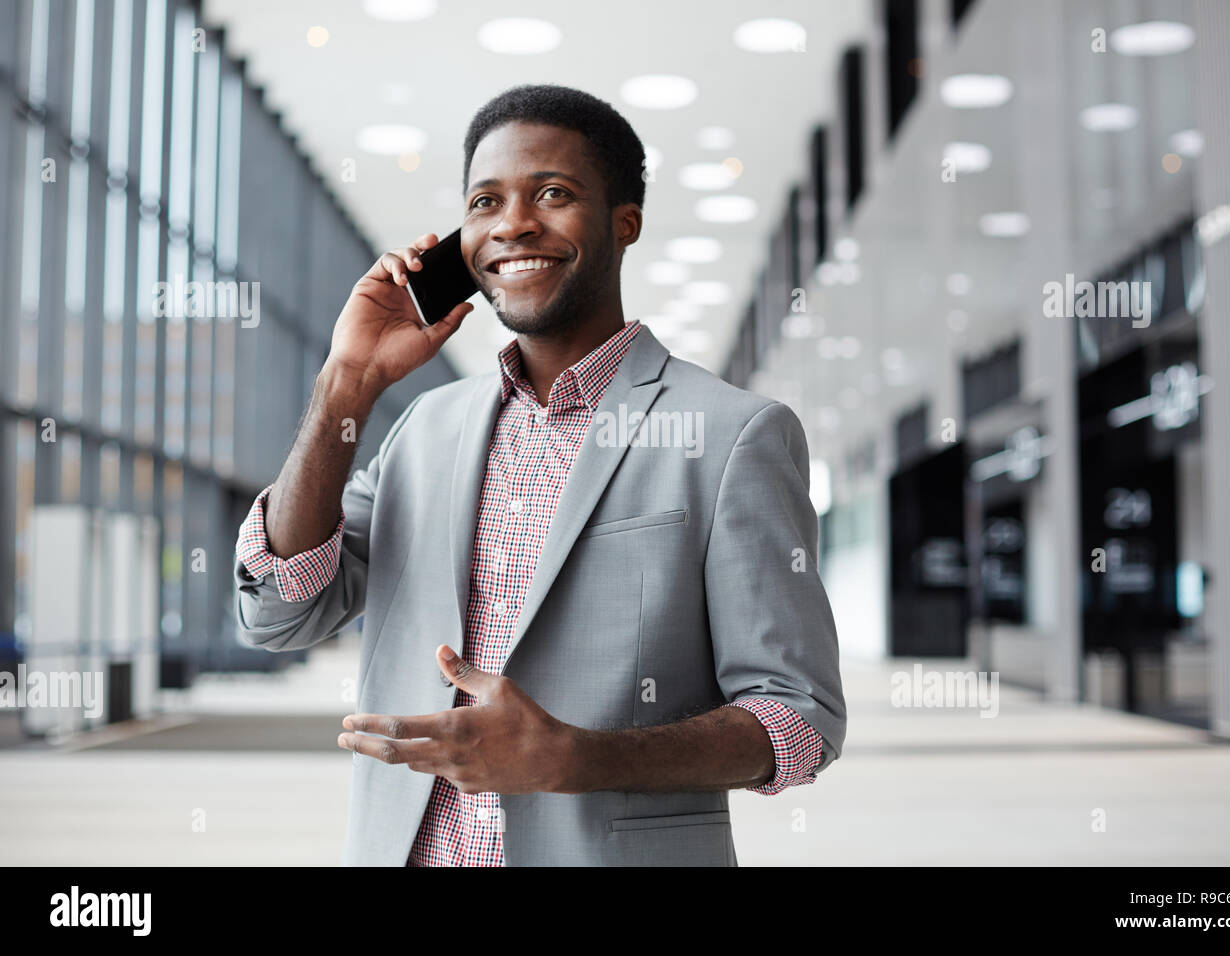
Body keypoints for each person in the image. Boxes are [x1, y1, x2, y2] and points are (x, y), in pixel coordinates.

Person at [233, 83, 846, 866]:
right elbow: (281, 614)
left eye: (552, 193)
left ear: (625, 223)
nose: (514, 222)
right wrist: (343, 386)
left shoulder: (734, 435)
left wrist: (576, 758)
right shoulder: (426, 430)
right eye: (485, 201)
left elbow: (800, 719)